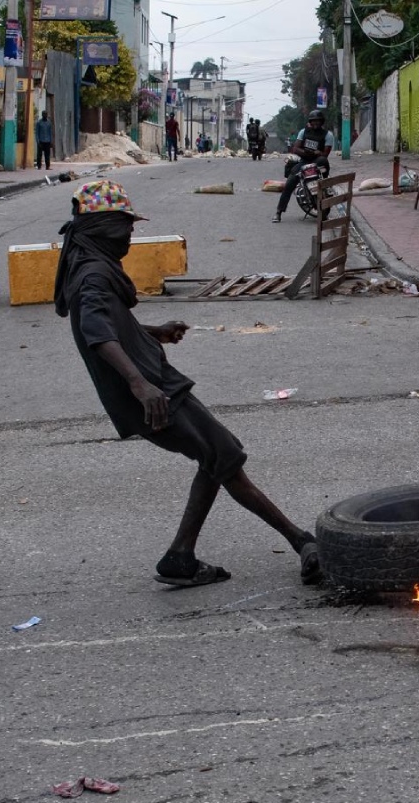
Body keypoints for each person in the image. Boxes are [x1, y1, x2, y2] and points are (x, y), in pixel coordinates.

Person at [53, 180, 321, 588]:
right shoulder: (92, 275)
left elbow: (112, 324)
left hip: (156, 386)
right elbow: (97, 332)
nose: (130, 234)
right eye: (126, 226)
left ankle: (181, 555)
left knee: (218, 456)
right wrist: (140, 384)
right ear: (104, 227)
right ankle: (300, 541)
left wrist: (153, 331)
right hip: (151, 394)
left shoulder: (90, 265)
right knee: (224, 457)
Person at [274, 109, 333, 223]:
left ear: (322, 122)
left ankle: (324, 200)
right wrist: (306, 152)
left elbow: (325, 154)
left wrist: (317, 153)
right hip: (304, 162)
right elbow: (295, 148)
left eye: (318, 121)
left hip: (318, 162)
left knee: (324, 173)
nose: (315, 124)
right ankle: (278, 212)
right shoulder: (303, 132)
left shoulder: (328, 135)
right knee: (289, 184)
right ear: (310, 122)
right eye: (313, 121)